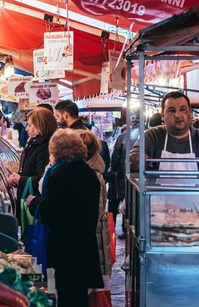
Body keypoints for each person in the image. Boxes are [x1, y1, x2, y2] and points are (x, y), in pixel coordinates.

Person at [26, 129, 103, 306]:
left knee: (65, 295)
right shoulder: (88, 173)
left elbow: (49, 214)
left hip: (65, 248)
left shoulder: (58, 175)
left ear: (56, 150)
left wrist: (34, 202)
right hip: (84, 245)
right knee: (79, 295)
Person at [9, 109, 57, 223]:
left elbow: (43, 179)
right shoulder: (33, 143)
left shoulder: (44, 147)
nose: (26, 129)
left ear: (40, 126)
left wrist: (20, 179)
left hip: (35, 203)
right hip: (28, 199)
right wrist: (17, 177)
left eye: (30, 125)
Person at [78, 131, 112, 285]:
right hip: (94, 237)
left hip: (93, 238)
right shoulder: (93, 170)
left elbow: (95, 213)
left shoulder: (91, 174)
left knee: (92, 288)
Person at [108, 114, 140, 238]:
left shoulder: (123, 136)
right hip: (138, 178)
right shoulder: (148, 136)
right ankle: (127, 231)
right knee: (131, 205)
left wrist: (113, 171)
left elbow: (115, 158)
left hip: (120, 177)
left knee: (114, 204)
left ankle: (111, 231)